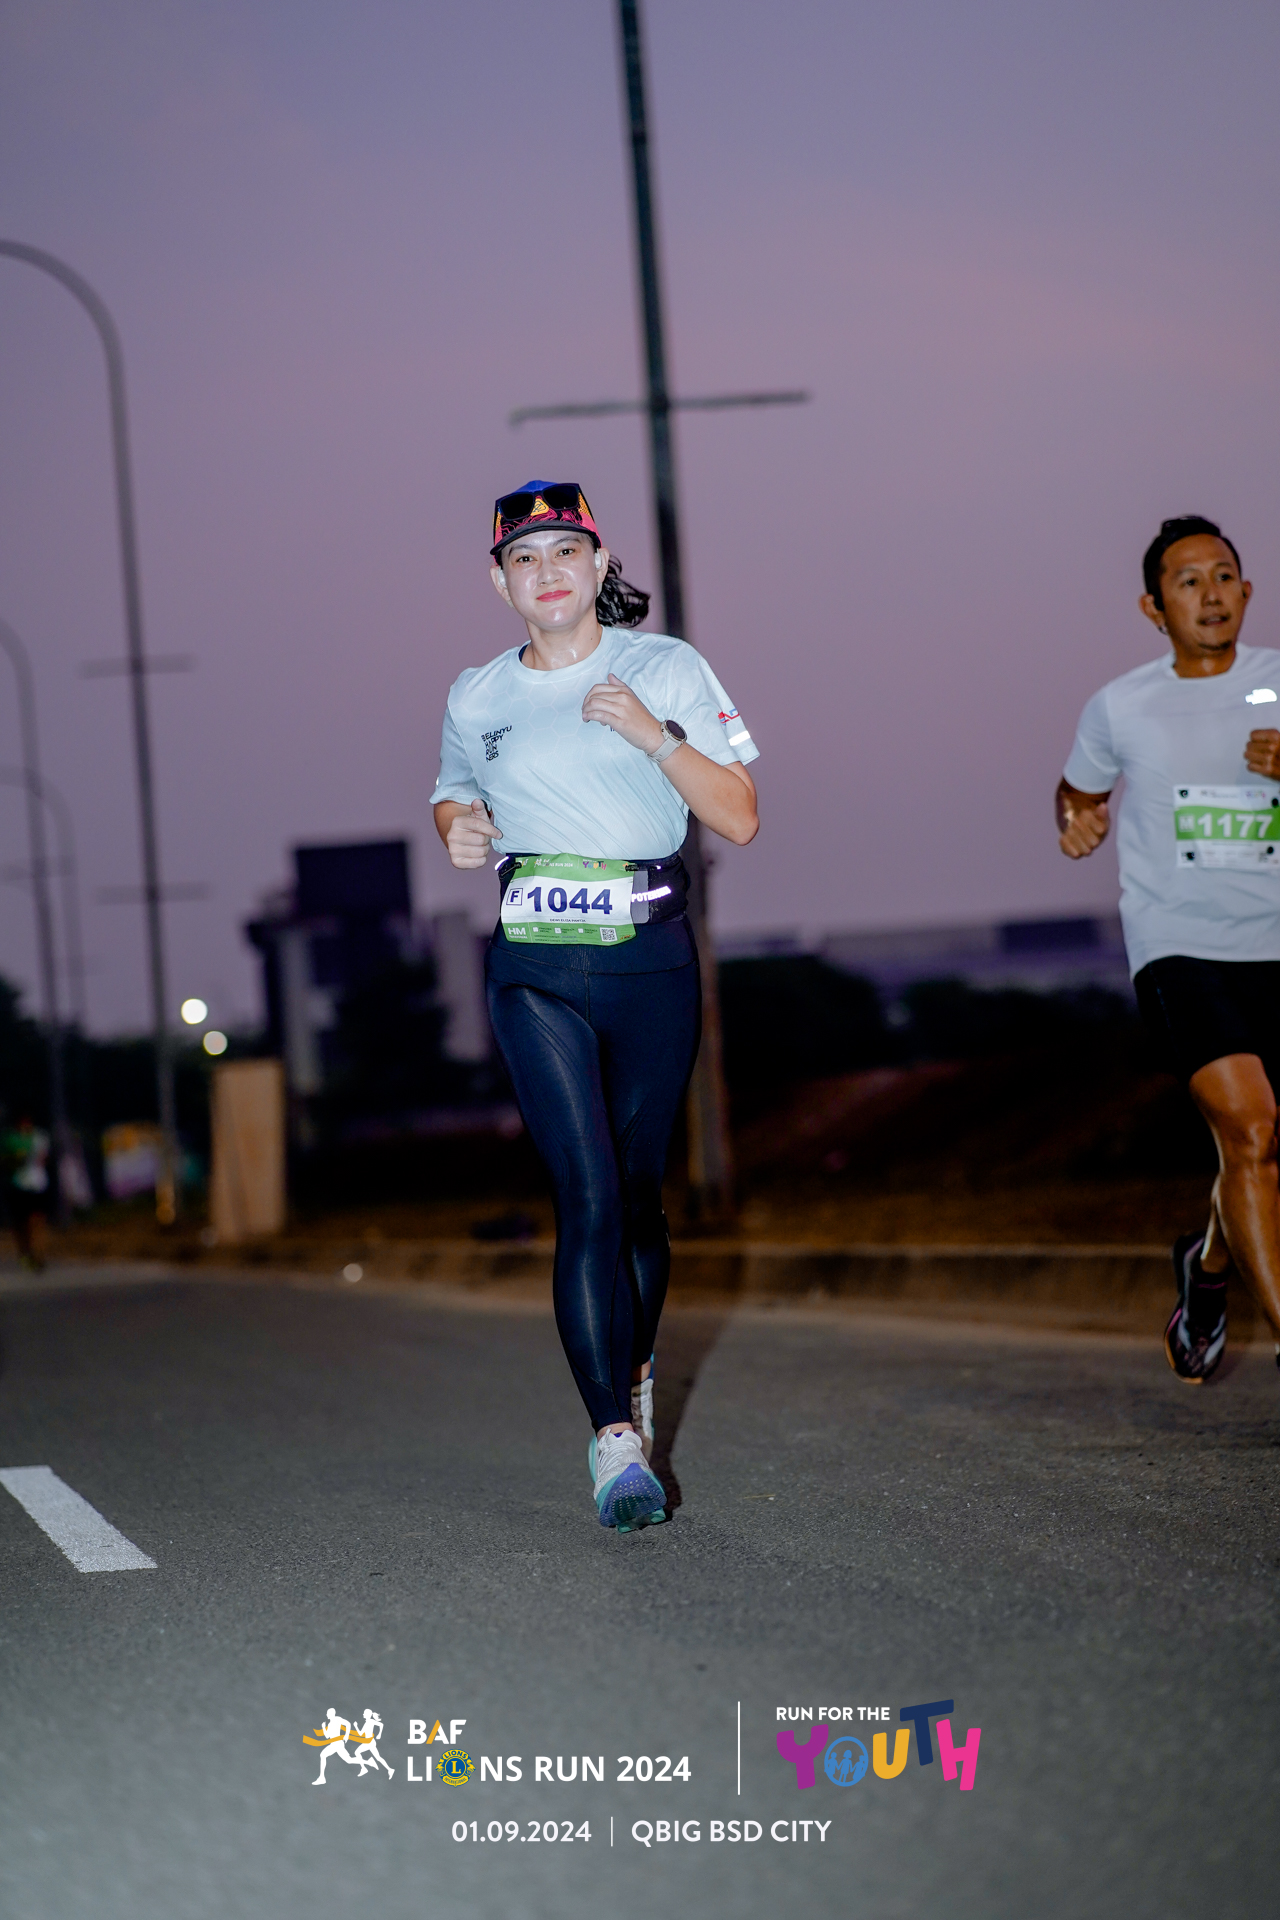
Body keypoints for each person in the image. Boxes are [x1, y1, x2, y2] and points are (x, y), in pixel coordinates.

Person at [431, 481, 759, 1529]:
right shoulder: (476, 694)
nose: (547, 572)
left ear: (600, 562)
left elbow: (739, 817)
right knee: (586, 1195)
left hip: (649, 961)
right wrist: (456, 826)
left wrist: (655, 736)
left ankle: (634, 1364)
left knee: (638, 1202)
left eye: (565, 550)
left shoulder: (664, 666)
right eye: (524, 558)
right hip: (533, 965)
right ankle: (614, 1439)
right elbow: (451, 791)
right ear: (499, 582)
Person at [1057, 514, 1280, 1382]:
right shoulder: (1121, 704)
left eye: (1223, 576)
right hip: (1179, 946)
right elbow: (1076, 792)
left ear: (1247, 591)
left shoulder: (1277, 685)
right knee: (1252, 1128)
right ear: (1154, 608)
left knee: (1254, 1150)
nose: (1210, 594)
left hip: (1274, 941)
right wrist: (1076, 821)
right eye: (1188, 582)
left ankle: (1208, 1266)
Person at [3, 1115, 51, 1271]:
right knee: (21, 1223)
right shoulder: (10, 1139)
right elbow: (5, 1161)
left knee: (37, 1221)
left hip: (37, 1185)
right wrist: (15, 1159)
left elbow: (45, 1158)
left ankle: (39, 1254)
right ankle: (25, 1253)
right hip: (18, 1185)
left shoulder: (40, 1137)